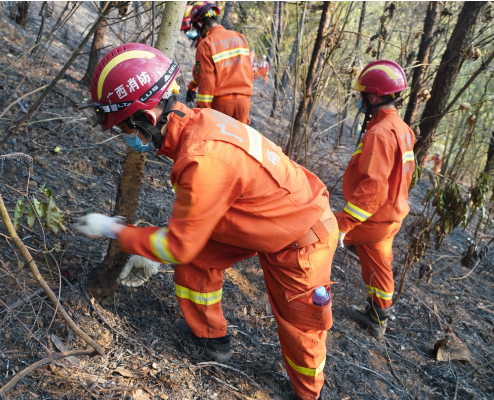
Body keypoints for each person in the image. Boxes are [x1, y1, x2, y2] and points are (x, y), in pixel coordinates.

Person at [75, 43, 337, 400]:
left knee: (301, 327)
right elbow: (192, 233)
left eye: (123, 129)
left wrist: (115, 231)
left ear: (145, 119)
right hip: (256, 218)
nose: (126, 138)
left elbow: (178, 244)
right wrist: (152, 248)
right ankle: (212, 339)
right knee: (197, 261)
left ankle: (310, 393)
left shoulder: (202, 158)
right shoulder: (195, 125)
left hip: (301, 238)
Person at [336, 60, 415, 339]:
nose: (359, 100)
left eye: (362, 95)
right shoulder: (403, 128)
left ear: (372, 97)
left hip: (373, 217)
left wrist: (343, 224)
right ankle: (378, 318)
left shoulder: (380, 133)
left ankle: (308, 299)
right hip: (392, 216)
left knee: (318, 231)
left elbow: (374, 190)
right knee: (379, 265)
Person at [185, 2, 254, 124]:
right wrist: (192, 86)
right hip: (244, 103)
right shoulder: (240, 37)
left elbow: (207, 83)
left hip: (222, 104)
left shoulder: (206, 44)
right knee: (239, 141)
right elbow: (249, 72)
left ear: (200, 23)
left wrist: (203, 113)